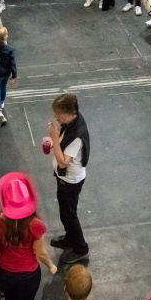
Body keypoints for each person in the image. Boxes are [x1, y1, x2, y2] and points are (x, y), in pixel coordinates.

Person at [0, 172, 56, 300]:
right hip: (29, 276)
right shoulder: (36, 224)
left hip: (4, 274)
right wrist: (51, 265)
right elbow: (40, 253)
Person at [47, 93, 90, 263]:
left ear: (70, 113)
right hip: (64, 179)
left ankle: (80, 248)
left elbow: (64, 162)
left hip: (70, 181)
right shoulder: (71, 123)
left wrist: (55, 140)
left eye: (59, 115)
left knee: (69, 214)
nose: (56, 118)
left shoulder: (77, 135)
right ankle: (70, 238)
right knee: (65, 212)